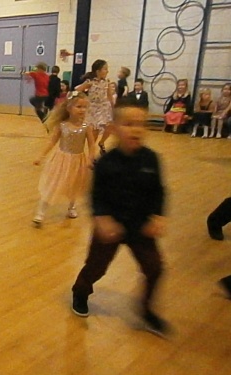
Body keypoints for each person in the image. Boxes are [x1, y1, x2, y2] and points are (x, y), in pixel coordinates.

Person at [71, 99, 169, 337]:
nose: (136, 129)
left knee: (155, 267)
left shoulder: (151, 159)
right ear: (114, 128)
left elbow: (159, 191)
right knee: (96, 266)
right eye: (128, 124)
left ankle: (146, 310)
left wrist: (158, 216)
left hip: (140, 227)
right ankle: (80, 292)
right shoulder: (105, 163)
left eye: (141, 124)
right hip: (110, 226)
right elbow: (96, 195)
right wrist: (101, 218)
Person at [32, 91, 95, 226]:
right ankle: (41, 212)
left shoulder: (86, 126)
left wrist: (90, 158)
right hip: (61, 160)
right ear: (69, 108)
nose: (82, 110)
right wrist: (41, 155)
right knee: (53, 184)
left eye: (84, 107)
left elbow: (91, 144)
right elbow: (52, 142)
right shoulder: (62, 125)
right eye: (79, 107)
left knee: (74, 184)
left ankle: (71, 206)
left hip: (78, 160)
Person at [75, 59, 114, 154]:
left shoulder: (107, 82)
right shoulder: (90, 82)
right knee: (94, 132)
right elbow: (77, 90)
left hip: (104, 108)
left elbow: (109, 96)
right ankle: (91, 153)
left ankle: (102, 142)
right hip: (93, 108)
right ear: (98, 71)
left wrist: (114, 107)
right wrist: (83, 100)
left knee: (110, 126)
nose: (107, 71)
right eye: (105, 69)